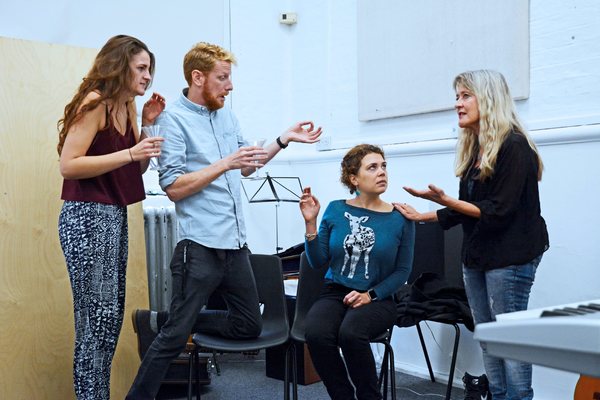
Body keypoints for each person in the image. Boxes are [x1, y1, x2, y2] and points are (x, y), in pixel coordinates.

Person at [126, 41, 322, 399]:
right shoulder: (173, 120)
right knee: (172, 342)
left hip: (235, 247)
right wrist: (225, 164)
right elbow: (172, 187)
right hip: (198, 246)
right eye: (223, 78)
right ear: (198, 77)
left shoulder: (227, 116)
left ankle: (162, 320)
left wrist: (282, 139)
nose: (229, 86)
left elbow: (247, 164)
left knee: (249, 325)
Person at [394, 70, 549, 400]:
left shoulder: (515, 146)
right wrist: (425, 214)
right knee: (488, 334)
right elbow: (471, 206)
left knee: (511, 336)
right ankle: (498, 394)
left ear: (488, 98)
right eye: (456, 97)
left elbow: (499, 209)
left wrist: (447, 201)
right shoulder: (475, 147)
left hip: (512, 254)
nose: (458, 104)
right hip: (478, 254)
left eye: (465, 96)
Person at [57, 35, 165, 400]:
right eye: (141, 68)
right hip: (86, 217)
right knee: (93, 324)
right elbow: (69, 166)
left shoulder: (127, 107)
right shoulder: (95, 103)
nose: (147, 76)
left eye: (149, 69)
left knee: (108, 323)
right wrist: (131, 153)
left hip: (113, 214)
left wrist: (146, 125)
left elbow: (136, 167)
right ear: (120, 66)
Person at [299, 144, 415, 400]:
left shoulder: (401, 217)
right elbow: (318, 261)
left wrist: (370, 295)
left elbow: (403, 271)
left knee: (351, 333)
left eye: (384, 166)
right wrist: (310, 222)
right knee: (316, 334)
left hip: (380, 297)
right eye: (372, 167)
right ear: (354, 178)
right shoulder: (335, 209)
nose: (382, 172)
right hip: (335, 291)